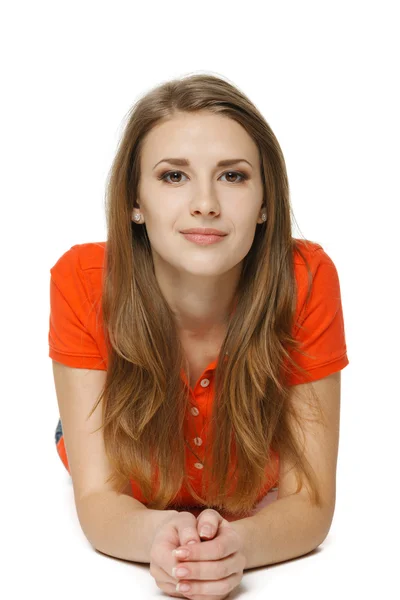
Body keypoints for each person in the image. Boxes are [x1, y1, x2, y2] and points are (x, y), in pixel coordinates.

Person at [49, 73, 349, 598]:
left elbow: (312, 502)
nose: (205, 203)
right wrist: (158, 537)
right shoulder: (80, 281)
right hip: (131, 445)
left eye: (232, 176)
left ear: (264, 204)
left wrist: (240, 546)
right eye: (173, 177)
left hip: (247, 448)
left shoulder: (306, 279)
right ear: (133, 202)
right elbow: (98, 497)